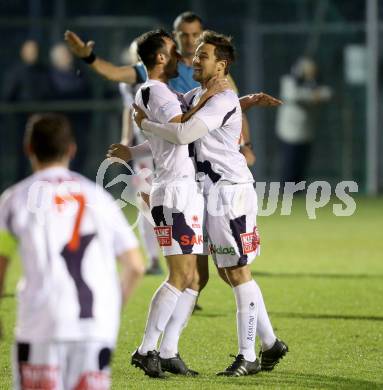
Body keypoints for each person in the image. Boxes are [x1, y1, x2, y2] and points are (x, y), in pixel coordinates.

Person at [133, 30, 288, 376]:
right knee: (225, 271)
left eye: (203, 56)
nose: (194, 59)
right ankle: (270, 343)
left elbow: (184, 133)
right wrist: (242, 100)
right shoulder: (201, 93)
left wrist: (146, 124)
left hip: (229, 192)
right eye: (196, 54)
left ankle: (248, 355)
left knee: (237, 271)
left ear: (221, 65)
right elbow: (192, 114)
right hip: (206, 192)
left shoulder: (220, 96)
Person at [0, 113, 144, 389]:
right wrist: (111, 310)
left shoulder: (15, 199)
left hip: (41, 325)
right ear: (71, 149)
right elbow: (135, 266)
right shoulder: (98, 198)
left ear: (28, 148)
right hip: (94, 327)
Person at [118, 40, 162, 275]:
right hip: (144, 148)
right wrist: (126, 139)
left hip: (168, 146)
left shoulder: (165, 78)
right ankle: (153, 258)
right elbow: (128, 109)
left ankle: (191, 251)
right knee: (144, 202)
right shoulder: (128, 82)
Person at [2, 40, 53, 181]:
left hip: (42, 121)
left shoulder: (43, 71)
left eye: (34, 51)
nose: (32, 54)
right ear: (23, 52)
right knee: (23, 154)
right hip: (22, 121)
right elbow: (8, 95)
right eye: (29, 51)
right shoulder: (16, 72)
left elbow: (49, 92)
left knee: (42, 152)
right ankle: (21, 182)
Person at [276, 57, 332, 184]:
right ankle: (286, 196)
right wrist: (313, 96)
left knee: (301, 169)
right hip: (289, 133)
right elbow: (294, 96)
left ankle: (298, 196)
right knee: (290, 167)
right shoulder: (289, 81)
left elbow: (327, 93)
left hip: (306, 133)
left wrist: (314, 94)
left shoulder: (313, 83)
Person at [49, 43, 92, 174]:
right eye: (63, 55)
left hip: (79, 123)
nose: (68, 57)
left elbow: (86, 93)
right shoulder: (49, 77)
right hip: (59, 124)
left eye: (67, 54)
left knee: (80, 152)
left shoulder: (79, 74)